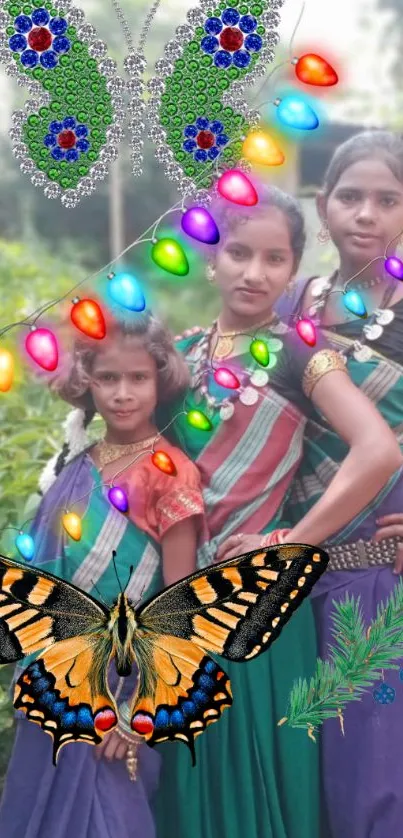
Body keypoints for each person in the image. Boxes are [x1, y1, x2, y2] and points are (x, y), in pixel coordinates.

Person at [151, 184, 402, 838]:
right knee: (188, 775)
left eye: (273, 259)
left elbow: (377, 450)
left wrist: (284, 544)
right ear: (211, 258)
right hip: (176, 601)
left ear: (294, 270)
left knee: (271, 781)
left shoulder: (299, 351)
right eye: (237, 253)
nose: (253, 273)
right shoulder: (175, 359)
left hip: (260, 598)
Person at [0, 312, 204, 838]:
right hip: (52, 678)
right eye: (107, 378)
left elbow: (180, 608)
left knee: (114, 819)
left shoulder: (171, 471)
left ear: (161, 380)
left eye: (138, 378)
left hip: (121, 682)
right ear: (86, 383)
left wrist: (142, 713)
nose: (122, 393)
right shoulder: (77, 465)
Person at [275, 130, 403, 838]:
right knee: (296, 766)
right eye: (350, 197)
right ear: (323, 207)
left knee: (371, 778)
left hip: (377, 572)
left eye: (387, 200)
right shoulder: (293, 299)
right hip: (288, 575)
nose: (366, 214)